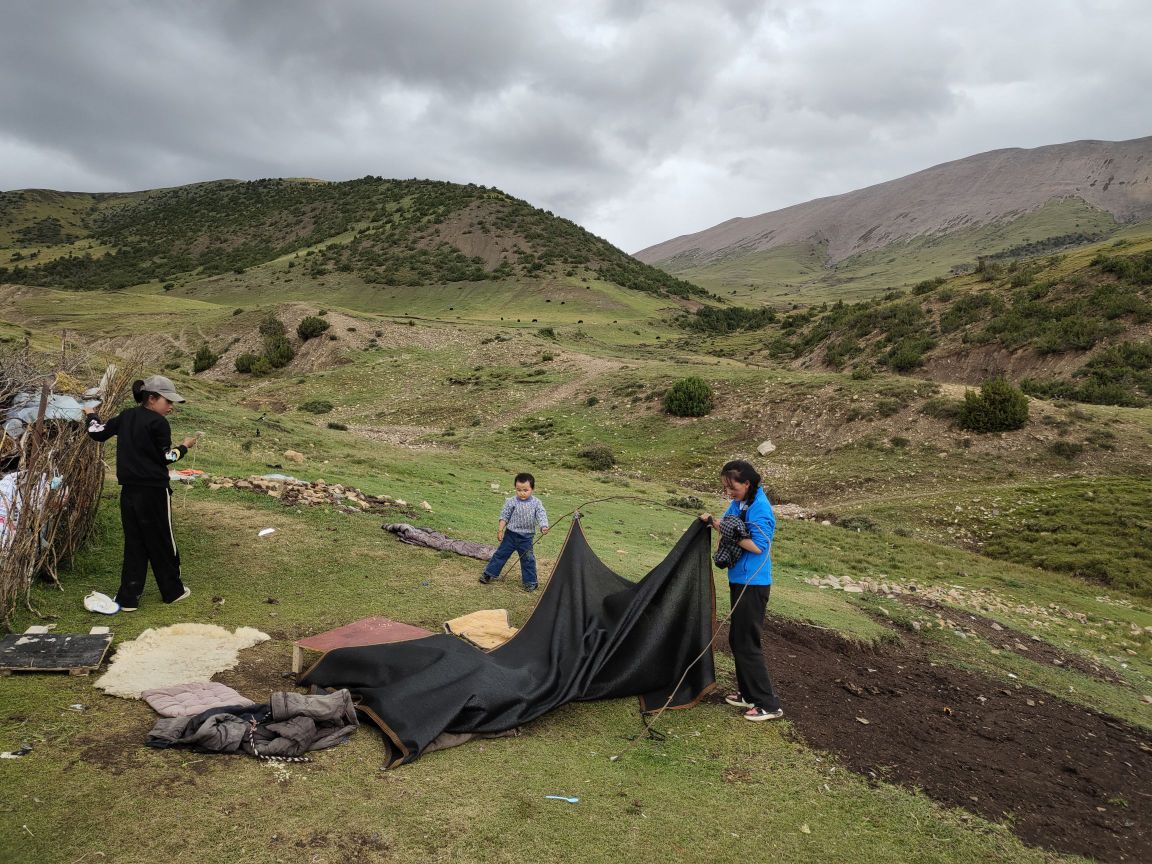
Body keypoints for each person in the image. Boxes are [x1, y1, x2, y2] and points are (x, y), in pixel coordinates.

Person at [84, 375, 198, 611]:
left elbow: (97, 432)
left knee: (134, 542)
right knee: (162, 541)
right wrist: (185, 446)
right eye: (168, 401)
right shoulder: (158, 423)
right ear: (152, 398)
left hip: (129, 492)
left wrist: (90, 414)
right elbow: (167, 457)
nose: (170, 406)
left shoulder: (126, 416)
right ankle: (173, 591)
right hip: (154, 492)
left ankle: (128, 598)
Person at [700, 459, 783, 722]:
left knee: (747, 642)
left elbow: (759, 546)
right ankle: (748, 694)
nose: (729, 493)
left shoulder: (761, 510)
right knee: (738, 639)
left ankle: (768, 704)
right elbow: (727, 523)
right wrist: (714, 522)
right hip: (739, 578)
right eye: (725, 488)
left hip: (753, 583)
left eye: (732, 487)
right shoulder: (741, 502)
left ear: (747, 483)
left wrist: (730, 532)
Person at [479, 472, 549, 592]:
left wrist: (543, 526)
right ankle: (488, 573)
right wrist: (500, 529)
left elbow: (541, 515)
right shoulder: (511, 501)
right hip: (510, 536)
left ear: (532, 489)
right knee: (500, 554)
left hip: (526, 538)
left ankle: (530, 582)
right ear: (515, 488)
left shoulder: (536, 503)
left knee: (528, 559)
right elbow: (504, 516)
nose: (522, 493)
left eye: (525, 490)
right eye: (519, 490)